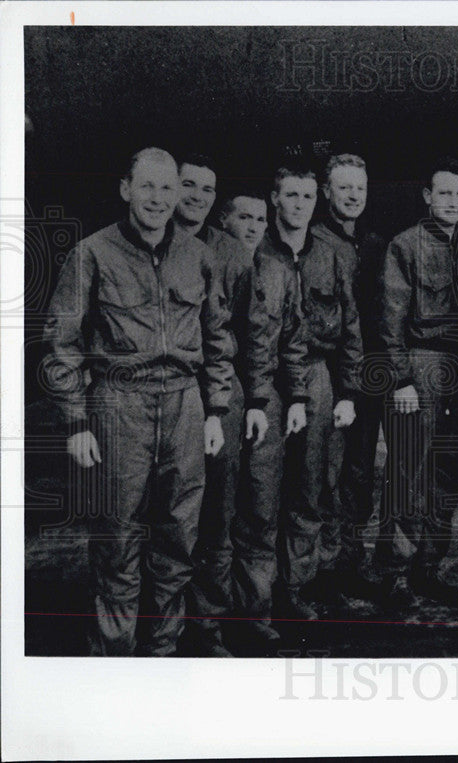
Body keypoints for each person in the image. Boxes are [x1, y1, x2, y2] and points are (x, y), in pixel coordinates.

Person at [43, 147, 233, 655]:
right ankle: (114, 665)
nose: (157, 198)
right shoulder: (92, 254)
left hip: (184, 407)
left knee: (177, 540)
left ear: (178, 195)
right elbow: (63, 344)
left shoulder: (198, 256)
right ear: (126, 188)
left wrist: (216, 409)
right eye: (146, 186)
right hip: (118, 405)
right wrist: (77, 421)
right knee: (117, 543)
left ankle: (162, 656)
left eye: (167, 188)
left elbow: (217, 337)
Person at [185, 185, 308, 655]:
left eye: (261, 218)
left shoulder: (278, 271)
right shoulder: (210, 260)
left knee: (261, 510)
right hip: (221, 398)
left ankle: (255, 616)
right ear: (225, 221)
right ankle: (209, 625)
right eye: (245, 217)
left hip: (265, 400)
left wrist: (293, 395)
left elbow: (292, 336)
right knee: (218, 516)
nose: (255, 226)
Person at [263, 161, 363, 621]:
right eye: (291, 196)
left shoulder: (331, 254)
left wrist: (348, 391)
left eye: (307, 197)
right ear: (274, 199)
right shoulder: (258, 252)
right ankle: (260, 592)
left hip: (320, 375)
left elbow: (351, 327)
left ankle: (301, 584)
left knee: (315, 484)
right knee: (263, 487)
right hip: (269, 379)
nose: (300, 205)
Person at [377, 156, 458, 607]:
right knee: (406, 476)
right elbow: (391, 317)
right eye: (445, 193)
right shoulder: (404, 245)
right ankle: (396, 574)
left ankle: (429, 568)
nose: (453, 202)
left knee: (448, 475)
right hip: (419, 369)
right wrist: (400, 379)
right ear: (427, 197)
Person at [310, 154, 389, 604]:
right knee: (327, 474)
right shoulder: (316, 244)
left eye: (359, 187)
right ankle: (321, 570)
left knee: (360, 473)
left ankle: (350, 562)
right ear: (327, 192)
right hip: (334, 376)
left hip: (369, 375)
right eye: (344, 188)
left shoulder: (374, 244)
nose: (354, 195)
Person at [173, 153, 223, 247]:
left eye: (207, 190)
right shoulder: (147, 239)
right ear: (171, 188)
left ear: (214, 197)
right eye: (188, 185)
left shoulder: (231, 251)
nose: (197, 197)